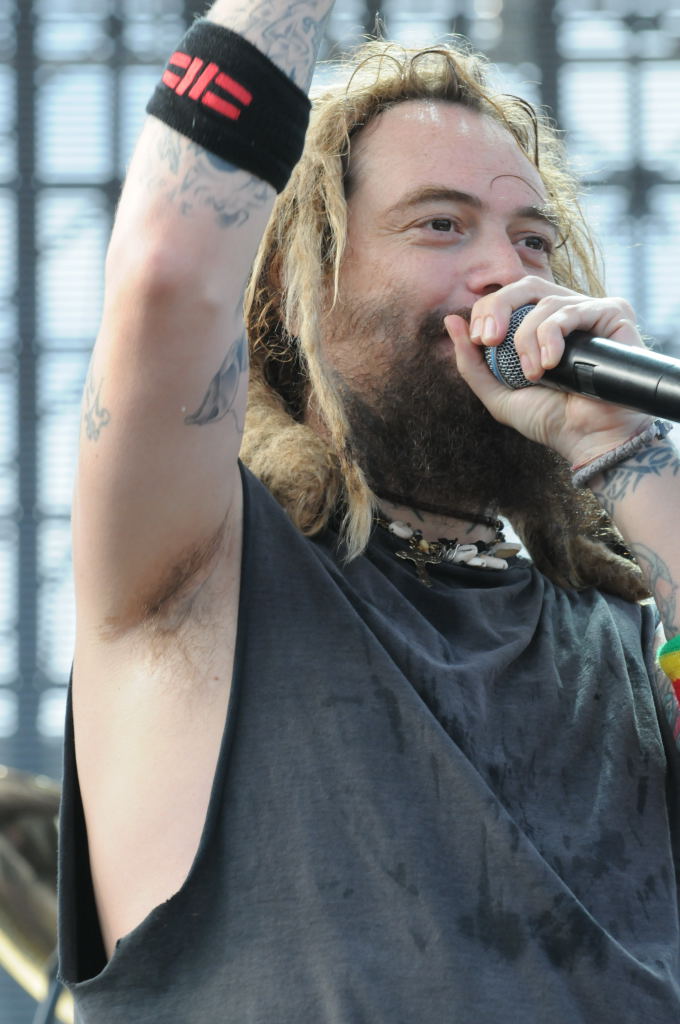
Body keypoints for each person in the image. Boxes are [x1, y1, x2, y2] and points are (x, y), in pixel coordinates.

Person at [57, 0, 680, 1020]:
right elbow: (170, 269)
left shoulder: (619, 639)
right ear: (296, 286)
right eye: (440, 224)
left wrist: (627, 457)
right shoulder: (201, 569)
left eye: (535, 240)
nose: (507, 271)